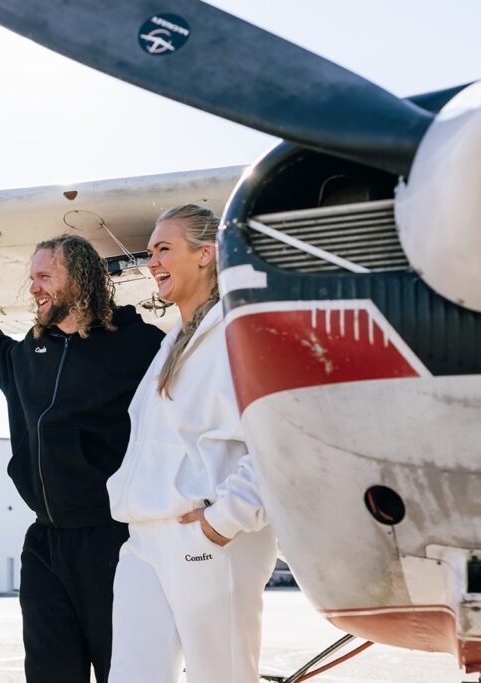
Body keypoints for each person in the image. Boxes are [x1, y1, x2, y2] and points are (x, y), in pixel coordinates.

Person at [0, 234, 164, 683]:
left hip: (113, 541)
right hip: (45, 541)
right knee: (49, 671)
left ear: (80, 279)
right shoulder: (31, 352)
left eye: (45, 277)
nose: (34, 289)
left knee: (121, 670)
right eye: (32, 278)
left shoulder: (139, 346)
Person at [106, 205, 277, 683]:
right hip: (144, 537)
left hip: (207, 534)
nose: (151, 261)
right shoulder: (173, 341)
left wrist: (225, 520)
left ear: (207, 254)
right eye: (149, 251)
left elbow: (277, 435)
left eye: (164, 248)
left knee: (221, 677)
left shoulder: (243, 329)